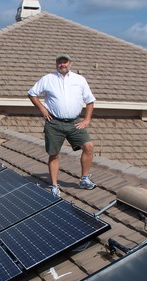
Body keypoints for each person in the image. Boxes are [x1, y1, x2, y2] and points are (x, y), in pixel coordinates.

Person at [28, 53, 96, 197]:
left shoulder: (79, 80)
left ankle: (84, 179)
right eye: (60, 62)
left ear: (70, 64)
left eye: (65, 62)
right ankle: (54, 185)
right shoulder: (48, 79)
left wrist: (86, 120)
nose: (62, 65)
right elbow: (32, 93)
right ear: (56, 64)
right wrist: (43, 109)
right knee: (54, 154)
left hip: (75, 122)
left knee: (88, 146)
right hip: (54, 123)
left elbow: (90, 101)